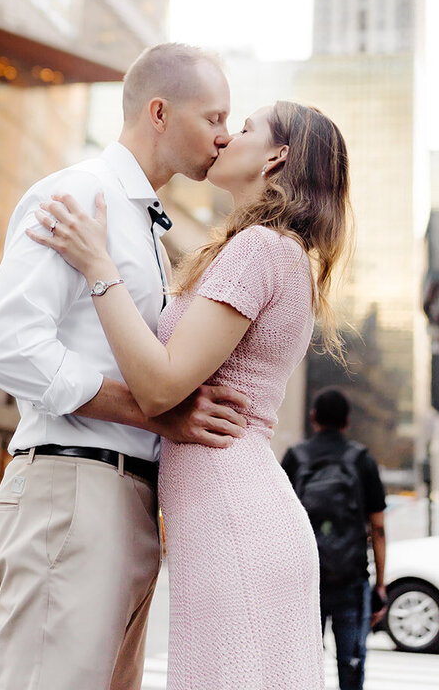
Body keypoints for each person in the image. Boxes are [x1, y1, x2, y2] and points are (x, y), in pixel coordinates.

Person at [30, 100, 352, 690]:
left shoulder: (260, 248)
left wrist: (98, 265)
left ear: (278, 156)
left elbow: (159, 386)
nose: (227, 137)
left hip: (232, 510)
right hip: (234, 505)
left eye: (246, 128)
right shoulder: (277, 252)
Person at [0, 43, 252, 690]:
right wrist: (151, 411)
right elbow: (8, 344)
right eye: (214, 118)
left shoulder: (144, 228)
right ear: (159, 111)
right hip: (74, 490)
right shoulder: (80, 194)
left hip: (127, 500)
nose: (223, 136)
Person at [281, 389, 387, 690]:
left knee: (299, 665)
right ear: (347, 421)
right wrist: (380, 584)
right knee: (351, 665)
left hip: (304, 581)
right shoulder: (362, 460)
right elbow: (377, 528)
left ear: (313, 417)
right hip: (350, 580)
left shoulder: (295, 458)